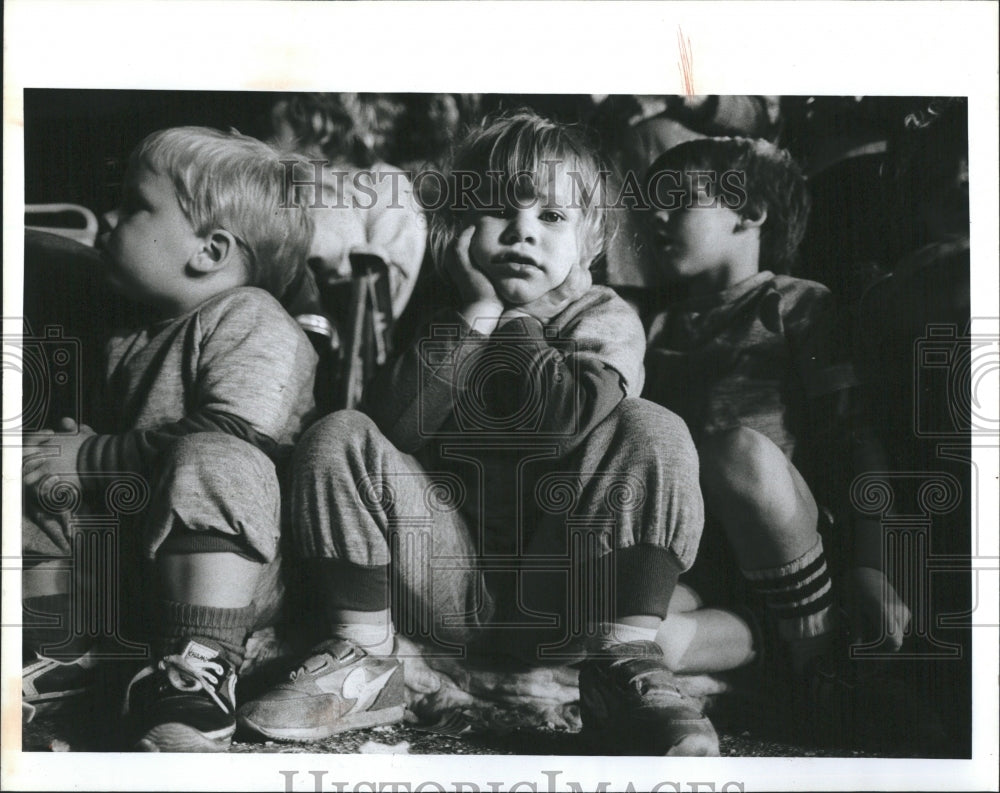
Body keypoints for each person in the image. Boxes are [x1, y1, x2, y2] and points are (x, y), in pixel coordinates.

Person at [238, 111, 719, 756]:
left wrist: (511, 321)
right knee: (340, 432)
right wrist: (474, 316)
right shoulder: (451, 316)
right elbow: (391, 429)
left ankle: (623, 660)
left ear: (591, 243)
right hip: (445, 586)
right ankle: (366, 657)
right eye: (499, 211)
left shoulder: (604, 317)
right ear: (459, 230)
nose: (522, 231)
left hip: (568, 587)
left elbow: (558, 425)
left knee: (652, 425)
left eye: (552, 217)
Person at [21, 126, 319, 752]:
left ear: (209, 251)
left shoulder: (252, 316)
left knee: (216, 459)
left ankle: (197, 673)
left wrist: (96, 457)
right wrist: (76, 454)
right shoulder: (130, 333)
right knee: (31, 482)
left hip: (237, 579)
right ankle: (66, 654)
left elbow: (243, 434)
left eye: (134, 205)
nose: (109, 217)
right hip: (141, 559)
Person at [638, 137, 915, 743]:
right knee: (624, 630)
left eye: (676, 201)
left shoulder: (797, 303)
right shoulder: (648, 325)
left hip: (787, 547)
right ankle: (776, 667)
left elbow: (853, 438)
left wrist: (874, 564)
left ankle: (822, 663)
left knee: (736, 451)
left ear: (751, 212)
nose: (654, 215)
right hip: (704, 566)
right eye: (648, 204)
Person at [270, 93, 426, 321]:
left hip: (339, 331)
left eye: (276, 129)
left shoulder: (385, 181)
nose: (266, 142)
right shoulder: (274, 183)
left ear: (318, 123)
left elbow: (388, 289)